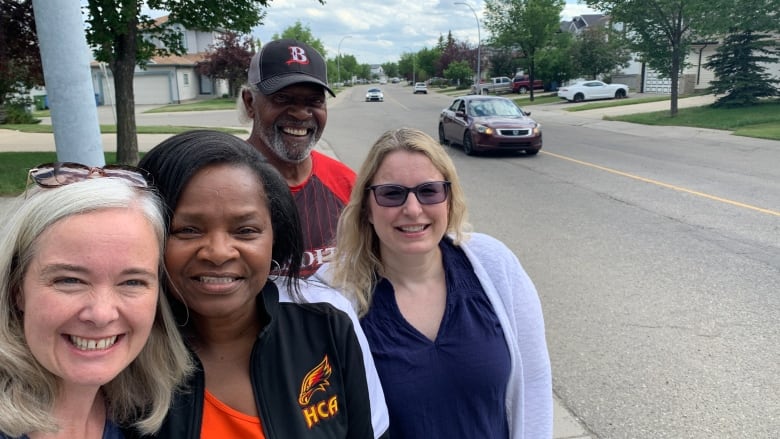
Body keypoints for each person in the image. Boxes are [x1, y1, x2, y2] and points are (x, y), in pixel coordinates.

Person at [135, 130, 389, 438]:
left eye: (245, 231)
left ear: (275, 237)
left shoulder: (326, 322)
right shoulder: (125, 349)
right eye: (188, 230)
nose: (218, 253)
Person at [324, 128, 553, 438]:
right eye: (392, 193)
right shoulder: (337, 295)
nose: (413, 209)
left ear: (449, 198)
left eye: (429, 191)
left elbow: (535, 380)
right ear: (366, 207)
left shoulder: (494, 265)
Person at [0, 167, 192, 439]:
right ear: (16, 290)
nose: (101, 314)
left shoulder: (143, 416)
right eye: (70, 281)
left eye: (132, 282)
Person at [238, 38, 356, 277]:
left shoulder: (347, 184)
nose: (301, 114)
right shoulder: (217, 185)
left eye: (315, 101)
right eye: (282, 99)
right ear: (250, 103)